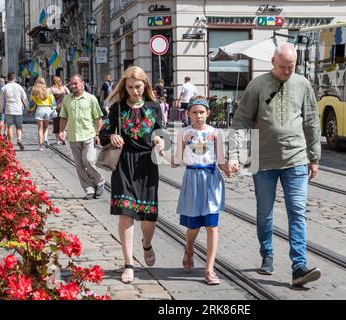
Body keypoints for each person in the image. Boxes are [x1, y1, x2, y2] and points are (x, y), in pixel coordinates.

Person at [227, 42, 322, 287]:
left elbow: (311, 120)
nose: (287, 71)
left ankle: (298, 266)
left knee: (297, 212)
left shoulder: (303, 84)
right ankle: (267, 254)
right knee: (264, 213)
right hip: (263, 160)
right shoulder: (257, 85)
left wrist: (315, 156)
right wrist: (234, 154)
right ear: (272, 62)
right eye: (283, 67)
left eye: (291, 67)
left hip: (296, 159)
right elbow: (240, 122)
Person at [99, 66, 166, 284]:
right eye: (130, 88)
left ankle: (146, 244)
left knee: (148, 216)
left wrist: (160, 140)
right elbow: (103, 133)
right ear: (124, 87)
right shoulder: (117, 108)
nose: (134, 91)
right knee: (126, 213)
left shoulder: (154, 107)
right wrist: (112, 138)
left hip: (148, 163)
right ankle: (129, 263)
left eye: (138, 87)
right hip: (125, 163)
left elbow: (161, 131)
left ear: (145, 85)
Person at [169, 95, 229, 285]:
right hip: (192, 179)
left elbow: (221, 162)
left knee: (212, 226)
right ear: (188, 114)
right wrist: (161, 150)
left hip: (211, 180)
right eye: (194, 112)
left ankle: (209, 270)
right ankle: (189, 248)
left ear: (208, 113)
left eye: (202, 112)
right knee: (193, 226)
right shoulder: (184, 134)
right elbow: (176, 162)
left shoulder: (216, 133)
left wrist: (230, 167)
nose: (198, 116)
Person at [59, 74, 105, 200]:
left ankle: (99, 180)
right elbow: (63, 117)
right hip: (73, 137)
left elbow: (98, 118)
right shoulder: (67, 99)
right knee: (79, 165)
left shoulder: (91, 99)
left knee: (89, 160)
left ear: (82, 83)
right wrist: (61, 131)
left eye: (75, 83)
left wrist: (97, 134)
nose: (73, 86)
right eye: (71, 84)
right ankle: (89, 189)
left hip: (88, 135)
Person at [0, 72, 29, 150]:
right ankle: (19, 139)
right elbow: (24, 98)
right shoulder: (19, 87)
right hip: (18, 109)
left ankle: (10, 144)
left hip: (9, 109)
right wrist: (28, 108)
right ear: (15, 78)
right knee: (19, 126)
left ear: (7, 79)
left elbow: (1, 101)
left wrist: (0, 110)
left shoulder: (4, 88)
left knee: (9, 127)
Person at [28, 77, 57, 151]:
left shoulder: (35, 91)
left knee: (40, 128)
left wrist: (30, 110)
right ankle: (46, 139)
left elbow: (32, 103)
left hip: (40, 109)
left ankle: (40, 146)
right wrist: (54, 108)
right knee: (46, 127)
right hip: (48, 109)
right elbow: (52, 101)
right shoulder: (48, 90)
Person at [50, 76, 70, 145]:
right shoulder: (64, 88)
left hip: (55, 108)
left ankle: (58, 140)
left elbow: (48, 98)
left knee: (56, 124)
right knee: (64, 123)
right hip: (64, 108)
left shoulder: (51, 89)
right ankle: (63, 137)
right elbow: (70, 96)